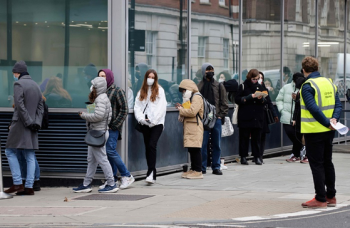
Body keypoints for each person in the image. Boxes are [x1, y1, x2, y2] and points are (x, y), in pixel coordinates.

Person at [300, 57, 342, 208]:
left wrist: (326, 122)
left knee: (317, 164)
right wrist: (333, 121)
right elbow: (338, 104)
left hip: (314, 131)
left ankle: (320, 198)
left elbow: (313, 109)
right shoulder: (329, 82)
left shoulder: (307, 85)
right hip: (329, 131)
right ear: (317, 68)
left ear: (303, 69)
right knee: (327, 162)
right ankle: (331, 196)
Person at [5, 61, 44, 195]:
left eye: (14, 73)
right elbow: (41, 106)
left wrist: (27, 121)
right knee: (30, 155)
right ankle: (29, 187)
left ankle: (17, 183)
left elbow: (19, 106)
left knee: (9, 151)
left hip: (20, 124)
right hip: (32, 124)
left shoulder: (18, 84)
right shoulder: (36, 85)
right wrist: (36, 122)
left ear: (18, 73)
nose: (14, 75)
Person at [73, 77, 118, 193]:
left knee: (102, 159)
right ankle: (86, 183)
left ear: (98, 87)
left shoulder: (101, 99)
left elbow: (98, 116)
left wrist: (84, 115)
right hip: (97, 133)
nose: (91, 87)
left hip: (98, 133)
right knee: (91, 160)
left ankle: (111, 183)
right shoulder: (101, 98)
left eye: (93, 85)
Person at [97, 69, 135, 190]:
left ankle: (126, 175)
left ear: (108, 77)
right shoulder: (97, 91)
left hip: (112, 128)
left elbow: (124, 110)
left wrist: (114, 125)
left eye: (103, 76)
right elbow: (93, 107)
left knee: (110, 150)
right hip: (99, 127)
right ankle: (111, 180)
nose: (101, 78)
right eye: (99, 76)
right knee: (106, 154)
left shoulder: (117, 91)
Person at [134, 69, 167, 184]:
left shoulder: (160, 91)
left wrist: (154, 121)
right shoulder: (141, 91)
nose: (151, 79)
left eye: (153, 77)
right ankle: (151, 172)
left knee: (152, 145)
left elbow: (161, 108)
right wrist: (141, 119)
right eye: (149, 77)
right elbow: (137, 107)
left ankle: (151, 173)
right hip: (145, 123)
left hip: (157, 123)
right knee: (148, 147)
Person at [197, 63, 229, 175]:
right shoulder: (199, 86)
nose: (210, 72)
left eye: (211, 69)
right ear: (203, 72)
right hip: (204, 119)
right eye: (207, 70)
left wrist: (220, 115)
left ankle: (216, 166)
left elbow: (224, 102)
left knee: (216, 143)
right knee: (203, 143)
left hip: (216, 118)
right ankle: (203, 167)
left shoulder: (219, 86)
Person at [235, 69, 265, 165]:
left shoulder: (260, 87)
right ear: (249, 78)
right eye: (254, 79)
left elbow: (266, 101)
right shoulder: (243, 86)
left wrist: (261, 98)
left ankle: (257, 157)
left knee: (257, 138)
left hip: (257, 116)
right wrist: (249, 97)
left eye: (257, 79)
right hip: (245, 116)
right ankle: (243, 157)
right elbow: (237, 99)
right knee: (244, 137)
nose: (255, 81)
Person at [176, 79, 204, 179]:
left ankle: (198, 171)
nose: (183, 93)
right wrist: (182, 107)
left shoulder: (196, 97)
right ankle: (193, 169)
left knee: (195, 149)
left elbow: (192, 112)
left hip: (195, 126)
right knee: (191, 149)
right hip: (190, 126)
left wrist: (181, 110)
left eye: (183, 90)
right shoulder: (191, 97)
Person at [276, 74, 304, 163]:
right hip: (287, 115)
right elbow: (279, 99)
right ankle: (300, 151)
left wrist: (297, 98)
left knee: (298, 136)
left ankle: (295, 155)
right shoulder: (286, 87)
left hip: (299, 117)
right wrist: (282, 110)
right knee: (292, 135)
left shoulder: (303, 88)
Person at [257, 72, 279, 163]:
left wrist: (274, 114)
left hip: (264, 115)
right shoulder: (252, 88)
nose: (260, 79)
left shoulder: (264, 89)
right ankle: (256, 155)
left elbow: (269, 102)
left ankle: (260, 155)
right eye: (258, 77)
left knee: (262, 136)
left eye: (261, 77)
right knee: (256, 137)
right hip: (255, 116)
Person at [292, 73, 309, 163]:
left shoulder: (305, 91)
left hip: (306, 117)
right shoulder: (299, 92)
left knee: (305, 137)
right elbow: (297, 107)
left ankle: (307, 155)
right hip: (299, 117)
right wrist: (294, 118)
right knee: (298, 135)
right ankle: (297, 154)